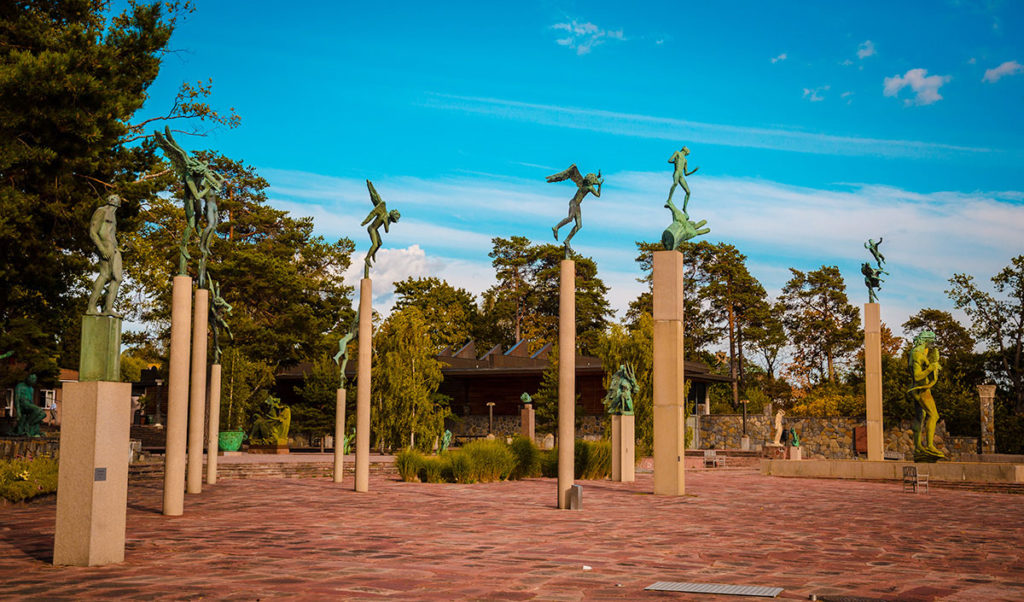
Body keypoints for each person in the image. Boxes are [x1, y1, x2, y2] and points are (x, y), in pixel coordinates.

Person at [546, 164, 602, 253]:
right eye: (594, 179)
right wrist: (599, 186)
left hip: (577, 204)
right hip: (574, 203)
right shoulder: (590, 187)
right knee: (570, 218)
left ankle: (567, 240)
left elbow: (592, 180)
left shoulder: (585, 183)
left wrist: (598, 177)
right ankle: (556, 227)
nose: (595, 180)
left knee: (579, 225)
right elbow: (598, 195)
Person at [907, 331, 945, 461]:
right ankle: (929, 446)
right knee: (934, 415)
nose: (933, 344)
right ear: (926, 340)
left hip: (917, 389)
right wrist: (931, 368)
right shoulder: (918, 354)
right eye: (932, 341)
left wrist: (933, 365)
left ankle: (918, 448)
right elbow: (917, 376)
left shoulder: (918, 352)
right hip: (922, 390)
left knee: (921, 417)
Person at [87, 194, 123, 317]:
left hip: (113, 247)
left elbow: (110, 233)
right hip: (105, 247)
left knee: (115, 278)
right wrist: (101, 248)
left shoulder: (113, 214)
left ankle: (107, 308)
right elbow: (93, 232)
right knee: (106, 275)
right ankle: (92, 307)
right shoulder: (101, 211)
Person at [361, 180, 400, 277]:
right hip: (372, 229)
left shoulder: (387, 218)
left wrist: (387, 222)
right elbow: (375, 196)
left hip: (376, 230)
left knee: (380, 243)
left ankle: (373, 253)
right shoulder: (383, 214)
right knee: (375, 244)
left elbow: (386, 229)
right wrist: (370, 186)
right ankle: (367, 258)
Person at [667, 146, 700, 212]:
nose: (687, 154)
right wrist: (675, 162)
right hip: (677, 172)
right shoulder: (677, 153)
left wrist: (694, 171)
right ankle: (669, 199)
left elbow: (686, 173)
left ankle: (684, 208)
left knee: (688, 192)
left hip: (681, 176)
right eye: (687, 153)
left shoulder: (685, 160)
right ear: (685, 151)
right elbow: (669, 160)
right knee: (675, 183)